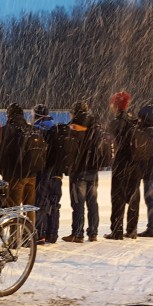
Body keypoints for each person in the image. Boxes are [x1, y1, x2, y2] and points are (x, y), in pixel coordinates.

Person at [62, 101, 108, 243]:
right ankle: (93, 232)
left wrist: (67, 166)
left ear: (75, 112)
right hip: (93, 170)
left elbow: (69, 149)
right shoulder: (96, 126)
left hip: (79, 170)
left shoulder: (75, 126)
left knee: (78, 203)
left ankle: (77, 233)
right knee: (92, 202)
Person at [105, 91, 140, 240]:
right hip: (135, 164)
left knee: (118, 198)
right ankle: (132, 230)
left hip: (121, 164)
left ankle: (117, 230)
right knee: (133, 197)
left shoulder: (116, 122)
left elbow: (110, 142)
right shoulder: (134, 121)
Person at [133, 104, 153, 237]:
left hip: (150, 172)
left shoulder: (147, 133)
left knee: (150, 199)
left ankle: (152, 227)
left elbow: (143, 154)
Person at [32, 104, 61, 244]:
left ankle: (40, 233)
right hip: (57, 171)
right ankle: (53, 234)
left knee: (41, 203)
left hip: (44, 171)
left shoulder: (38, 128)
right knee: (54, 203)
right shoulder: (55, 127)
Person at [0, 103, 35, 210]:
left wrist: (3, 171)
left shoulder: (5, 130)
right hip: (31, 174)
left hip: (14, 174)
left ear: (9, 114)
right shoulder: (31, 129)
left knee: (14, 207)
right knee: (30, 208)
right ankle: (29, 226)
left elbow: (2, 153)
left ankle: (14, 226)